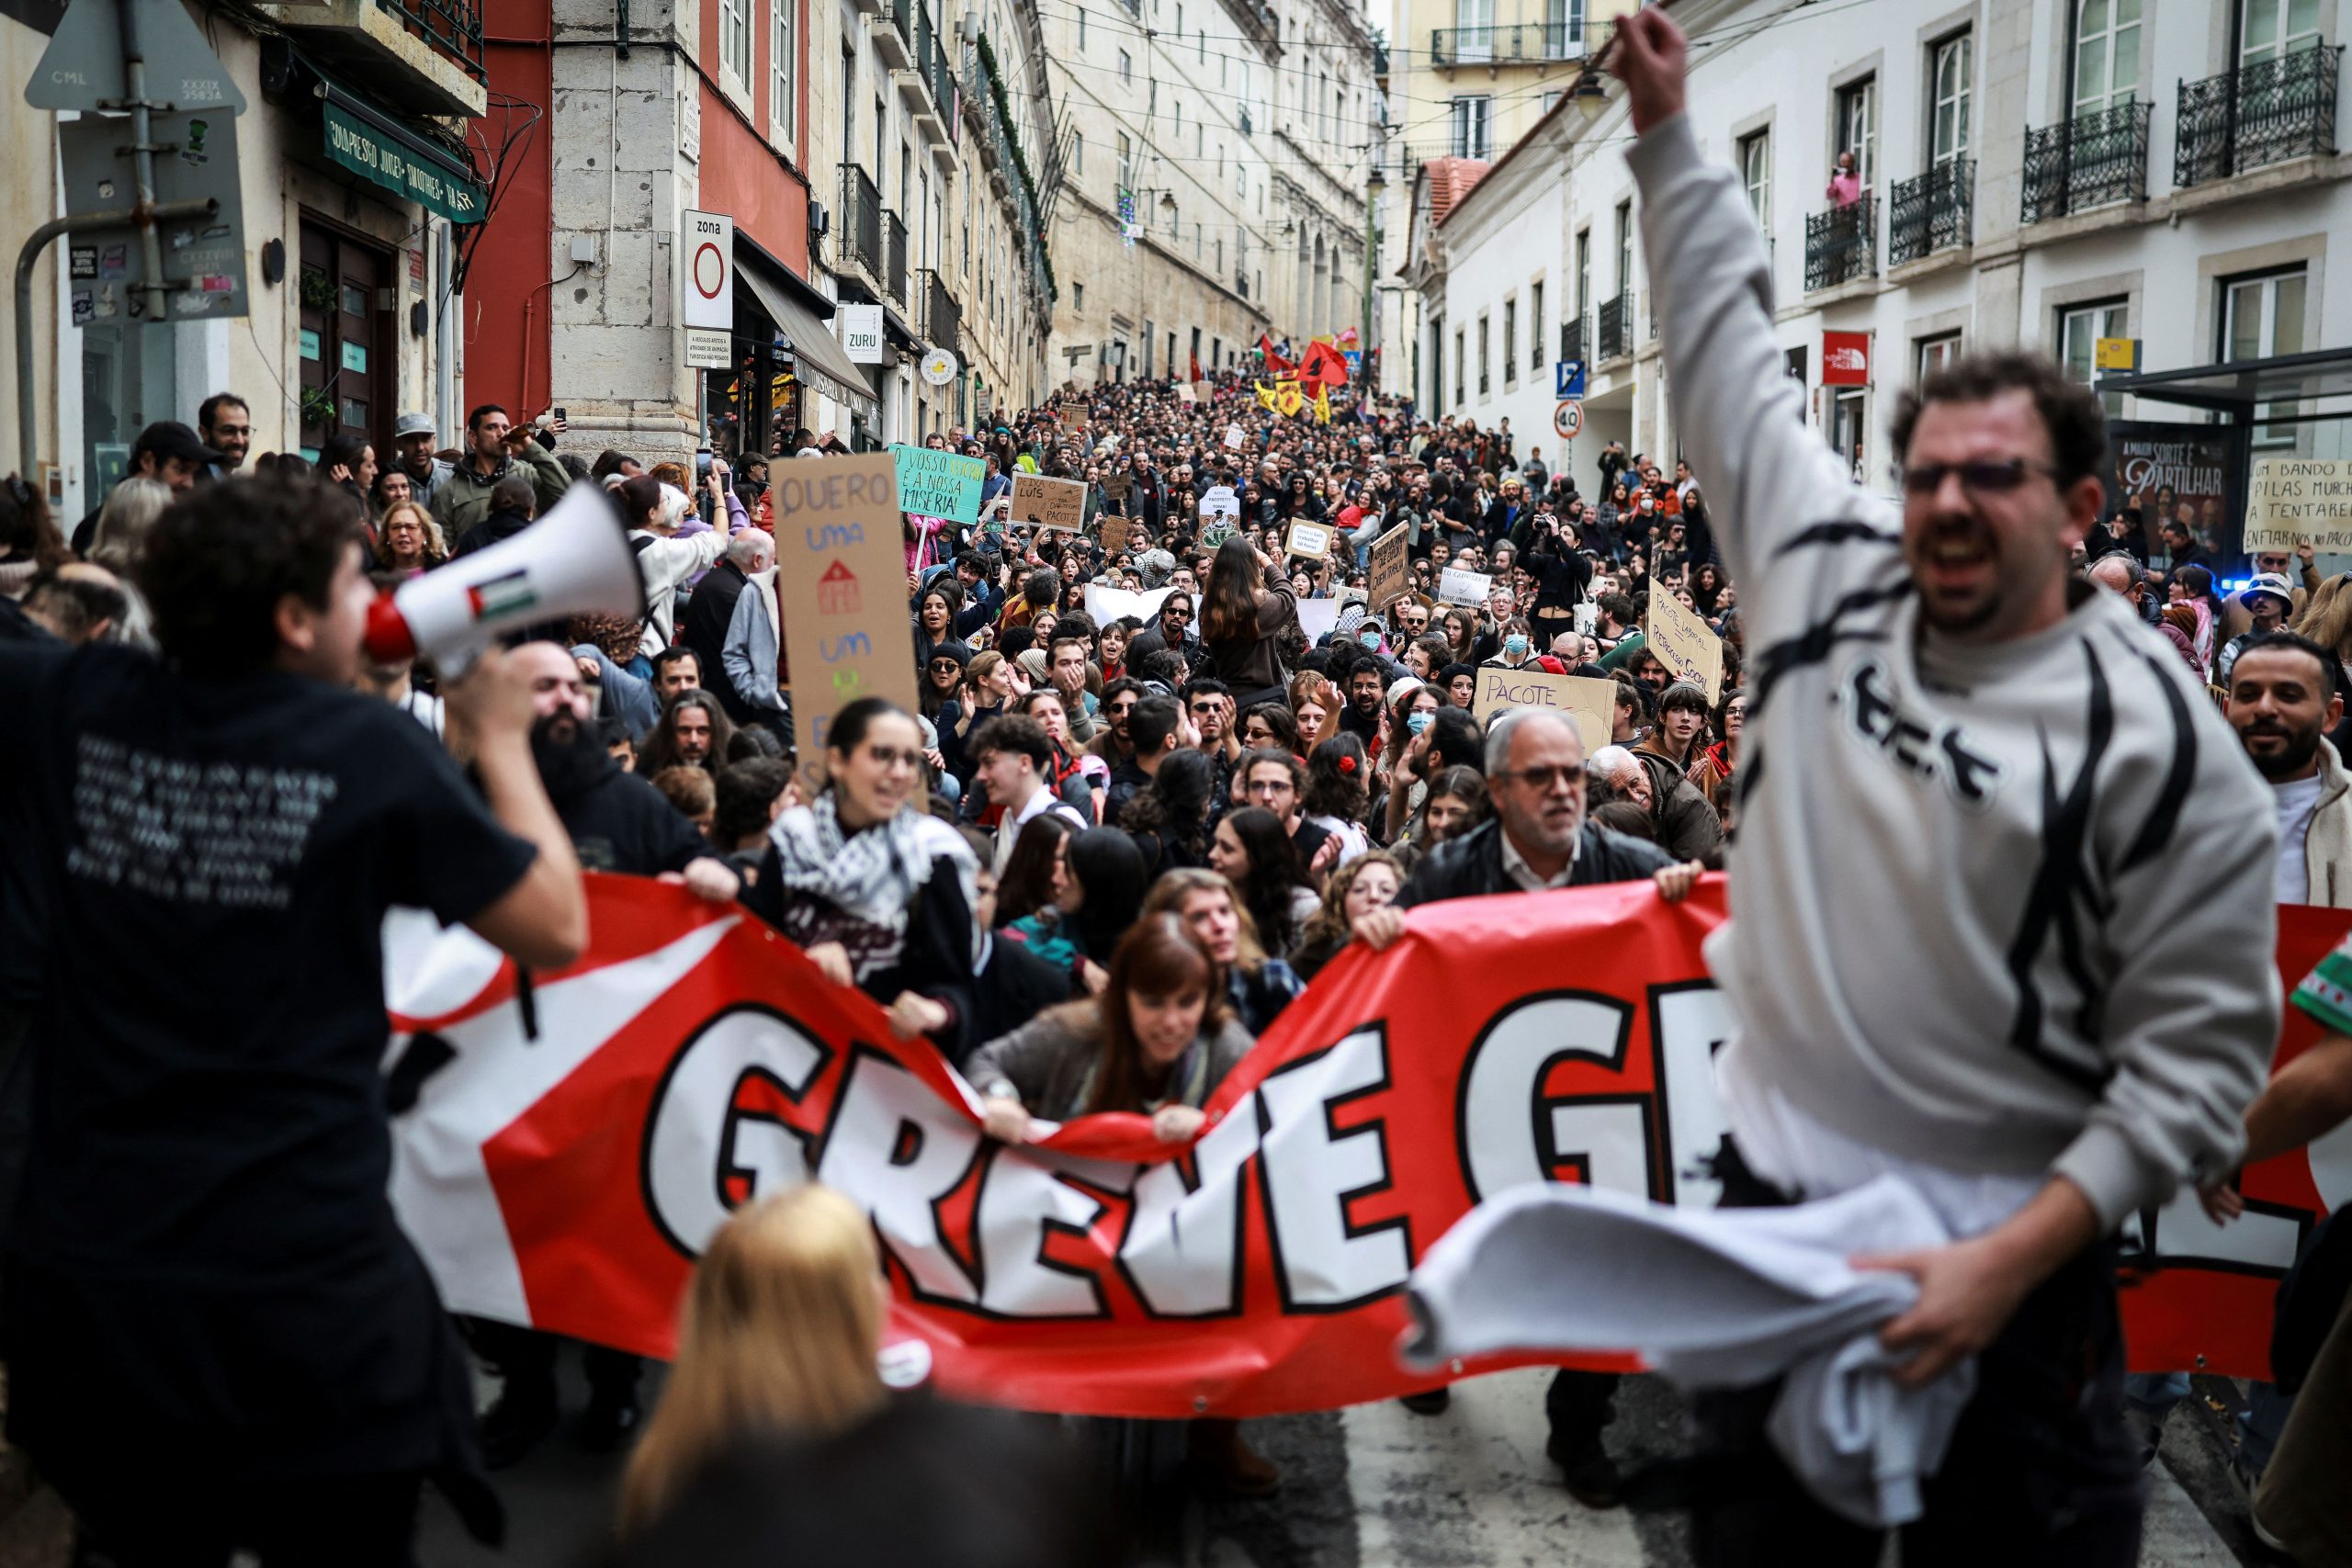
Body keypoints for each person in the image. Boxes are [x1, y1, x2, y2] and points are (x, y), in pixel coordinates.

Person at [1608, 13, 2278, 1561]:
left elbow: (2195, 1064)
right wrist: (1665, 136)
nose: (1951, 507)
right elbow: (1719, 356)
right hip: (1775, 1214)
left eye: (1996, 477)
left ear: (2081, 503)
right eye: (1926, 476)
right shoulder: (1818, 573)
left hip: (2016, 1269)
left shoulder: (2164, 742)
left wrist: (2008, 1261)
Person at [0, 473, 587, 1563]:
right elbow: (554, 925)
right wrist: (496, 738)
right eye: (356, 578)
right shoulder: (370, 752)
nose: (377, 596)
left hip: (99, 1281)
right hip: (303, 1280)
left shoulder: (80, 702)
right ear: (296, 619)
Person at [1352, 706, 1699, 1500]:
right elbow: (1403, 968)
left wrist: (1680, 892)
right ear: (1500, 792)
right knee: (1454, 1233)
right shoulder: (1446, 874)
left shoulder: (1632, 864)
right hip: (1477, 1101)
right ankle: (1437, 1351)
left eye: (1572, 774)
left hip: (1593, 1113)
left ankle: (1579, 1428)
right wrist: (1381, 938)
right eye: (1540, 776)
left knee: (1603, 1266)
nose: (1562, 791)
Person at [965, 917, 1273, 1495]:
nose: (1173, 1020)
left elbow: (1272, 1117)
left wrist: (1211, 1126)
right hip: (1072, 1234)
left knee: (1243, 1293)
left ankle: (1214, 1444)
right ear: (1123, 993)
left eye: (1188, 1002)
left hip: (1183, 1241)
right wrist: (1000, 1098)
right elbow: (987, 1062)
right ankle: (1040, 1455)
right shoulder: (1072, 1032)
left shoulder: (1226, 1045)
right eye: (1154, 1001)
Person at [617, 1185, 890, 1538]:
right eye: (869, 1272)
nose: (882, 1289)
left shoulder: (665, 1464)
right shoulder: (881, 1481)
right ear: (841, 1311)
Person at [741, 697, 981, 1060]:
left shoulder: (931, 856)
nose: (900, 772)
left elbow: (958, 989)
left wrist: (936, 1012)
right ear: (837, 761)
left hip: (881, 1073)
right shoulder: (793, 840)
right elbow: (751, 956)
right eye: (882, 755)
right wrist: (803, 963)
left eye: (909, 759)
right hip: (791, 1055)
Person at [2225, 630, 2352, 908]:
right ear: (2227, 708)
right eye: (2248, 695)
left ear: (2329, 716)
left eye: (2288, 695)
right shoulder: (2176, 811)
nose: (2265, 708)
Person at [1001, 826, 1148, 991]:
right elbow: (1007, 942)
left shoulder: (1149, 946)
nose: (1056, 879)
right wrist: (1077, 964)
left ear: (1095, 882)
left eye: (1068, 871)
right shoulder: (1053, 921)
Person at [620, 475, 729, 658]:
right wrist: (719, 496)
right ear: (652, 513)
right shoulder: (658, 553)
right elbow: (719, 540)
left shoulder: (616, 543)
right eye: (664, 500)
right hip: (643, 651)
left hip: (617, 646)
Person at [70, 421, 220, 552]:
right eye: (181, 469)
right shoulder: (99, 529)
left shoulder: (179, 525)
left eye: (194, 473)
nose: (190, 484)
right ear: (148, 461)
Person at [973, 712, 1089, 874]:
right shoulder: (1009, 818)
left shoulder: (1063, 822)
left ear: (1025, 763)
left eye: (989, 763)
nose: (981, 776)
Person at [431, 403, 568, 536]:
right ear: (473, 437)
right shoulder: (450, 490)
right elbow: (443, 546)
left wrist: (531, 448)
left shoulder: (525, 474)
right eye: (491, 427)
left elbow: (564, 495)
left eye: (505, 427)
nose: (501, 433)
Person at [1208, 805, 1318, 959]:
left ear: (1258, 857)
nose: (1213, 855)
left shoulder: (1301, 907)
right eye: (1216, 844)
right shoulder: (1211, 899)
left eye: (1227, 849)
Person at [1201, 536, 1296, 709]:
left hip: (1228, 701)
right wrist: (1266, 560)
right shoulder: (1257, 607)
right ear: (1251, 568)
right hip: (1262, 703)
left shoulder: (1209, 605)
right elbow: (1287, 595)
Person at [1290, 850, 1404, 981]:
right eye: (1360, 889)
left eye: (1386, 890)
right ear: (1341, 901)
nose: (1374, 896)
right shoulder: (1311, 959)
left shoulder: (1410, 959)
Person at [638, 688, 734, 776]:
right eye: (684, 730)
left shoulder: (735, 763)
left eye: (702, 731)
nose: (693, 740)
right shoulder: (646, 764)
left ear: (716, 733)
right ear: (670, 732)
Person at [391, 412, 456, 512]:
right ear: (398, 444)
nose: (420, 447)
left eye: (425, 439)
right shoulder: (390, 478)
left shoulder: (452, 475)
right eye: (411, 440)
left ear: (434, 440)